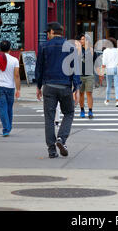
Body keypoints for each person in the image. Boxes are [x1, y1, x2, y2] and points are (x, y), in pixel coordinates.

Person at [35, 22, 81, 159]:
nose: (47, 35)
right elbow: (75, 69)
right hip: (65, 86)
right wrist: (76, 88)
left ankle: (51, 150)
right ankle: (61, 138)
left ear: (51, 32)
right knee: (69, 112)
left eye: (47, 33)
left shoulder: (44, 46)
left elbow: (39, 68)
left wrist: (38, 86)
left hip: (49, 86)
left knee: (49, 118)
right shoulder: (71, 47)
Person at [78, 33, 97, 119]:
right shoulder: (78, 50)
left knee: (89, 93)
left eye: (84, 39)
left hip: (89, 74)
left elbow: (93, 61)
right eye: (81, 39)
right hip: (80, 75)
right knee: (81, 94)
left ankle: (90, 110)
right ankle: (82, 110)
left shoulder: (91, 50)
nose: (82, 41)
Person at [102, 37, 118, 107]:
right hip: (116, 68)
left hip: (109, 68)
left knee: (109, 85)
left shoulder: (105, 51)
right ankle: (117, 101)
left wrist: (102, 70)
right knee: (116, 85)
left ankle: (107, 100)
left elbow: (104, 62)